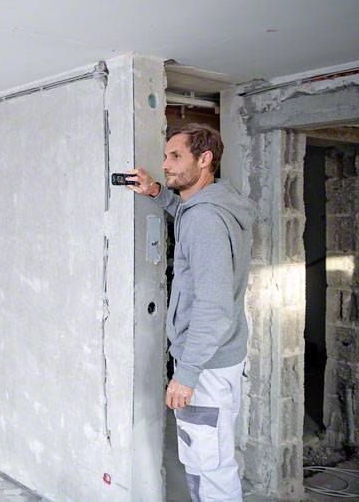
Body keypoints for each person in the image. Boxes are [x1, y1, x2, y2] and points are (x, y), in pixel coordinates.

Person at [128, 123, 256, 502]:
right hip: (216, 359)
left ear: (205, 160)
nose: (166, 164)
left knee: (211, 465)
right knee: (204, 456)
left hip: (206, 366)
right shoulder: (208, 205)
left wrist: (185, 374)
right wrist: (156, 193)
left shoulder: (205, 219)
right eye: (167, 155)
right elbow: (186, 210)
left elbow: (213, 308)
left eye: (175, 156)